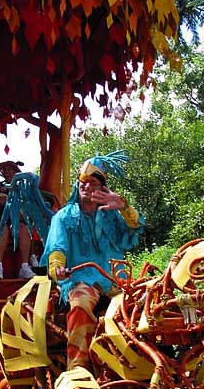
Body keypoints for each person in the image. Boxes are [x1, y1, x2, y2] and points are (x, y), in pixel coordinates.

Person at [40, 151, 143, 370]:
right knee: (80, 306)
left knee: (144, 306)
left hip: (116, 279)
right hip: (82, 280)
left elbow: (134, 230)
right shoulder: (64, 216)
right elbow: (57, 248)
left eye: (92, 182)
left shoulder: (112, 213)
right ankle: (76, 370)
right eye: (82, 182)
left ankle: (140, 364)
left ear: (103, 188)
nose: (86, 186)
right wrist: (57, 269)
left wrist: (124, 206)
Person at [0, 160, 34, 280]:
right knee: (3, 229)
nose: (6, 172)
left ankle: (24, 267)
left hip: (16, 221)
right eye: (4, 170)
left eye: (9, 169)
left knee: (24, 229)